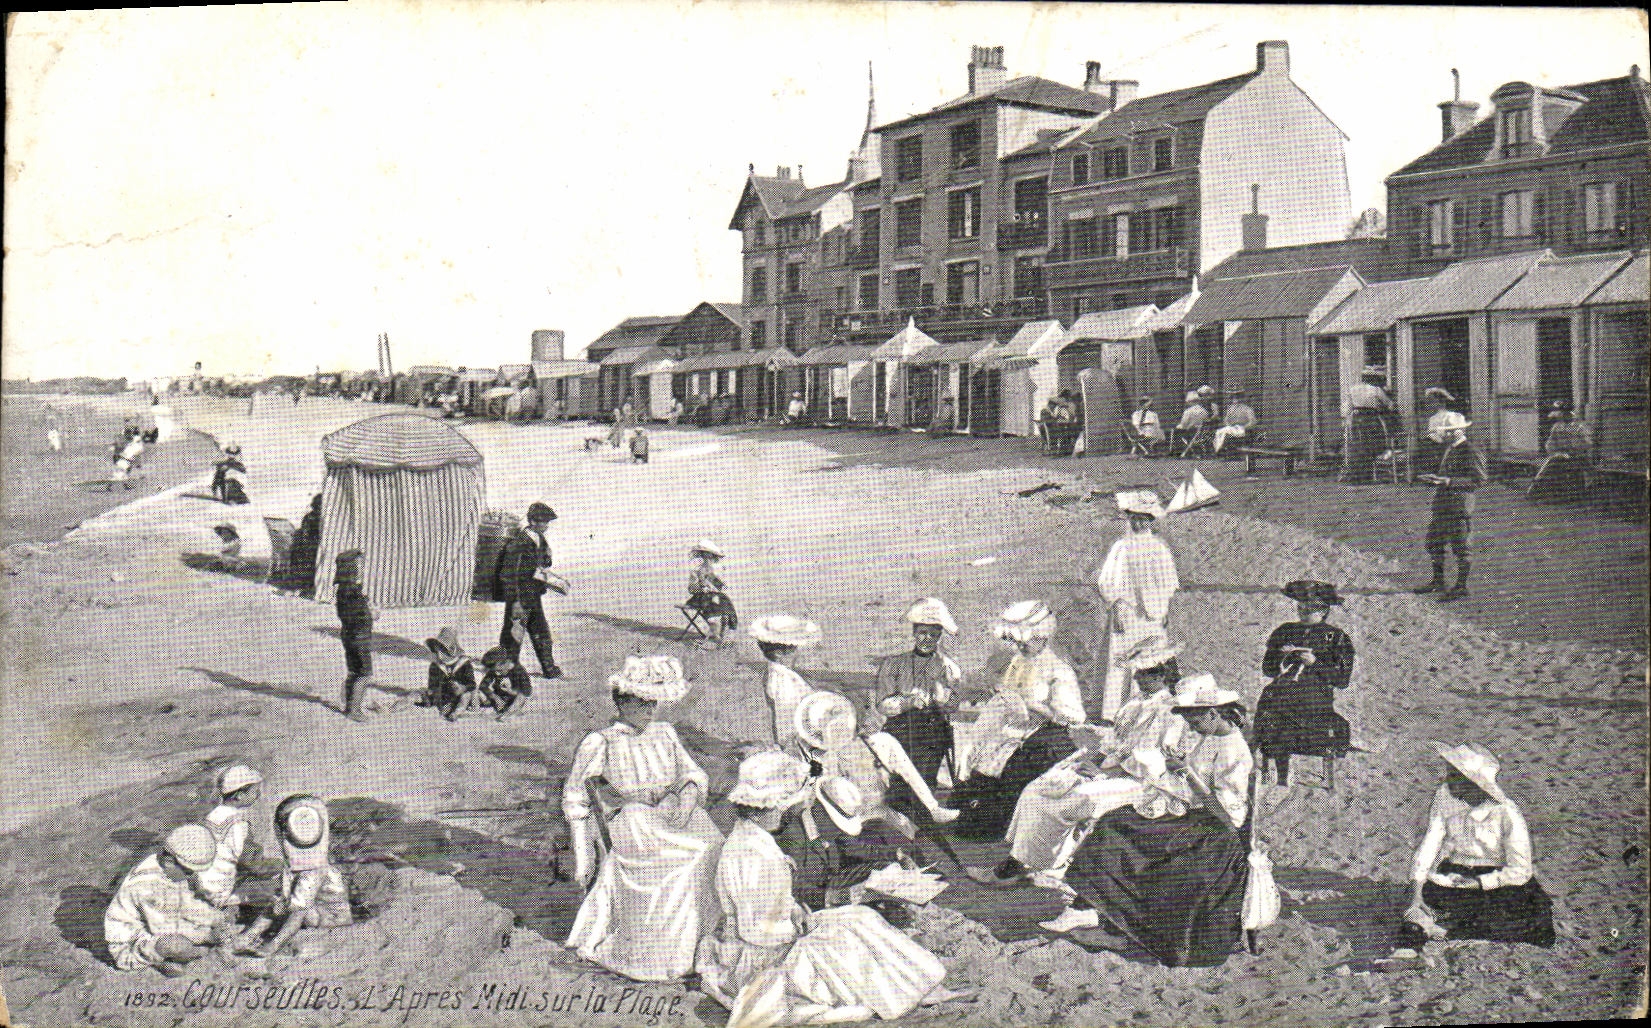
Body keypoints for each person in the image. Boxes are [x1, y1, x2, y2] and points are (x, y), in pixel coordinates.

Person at [696, 751, 964, 1027]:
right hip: (765, 955)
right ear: (766, 807)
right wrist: (800, 927)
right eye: (783, 806)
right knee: (846, 942)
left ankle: (925, 985)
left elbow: (774, 900)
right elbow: (756, 930)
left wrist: (796, 910)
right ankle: (907, 993)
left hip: (780, 931)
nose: (787, 812)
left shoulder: (755, 838)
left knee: (862, 917)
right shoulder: (755, 854)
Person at [1055, 675, 1253, 965]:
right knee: (1114, 822)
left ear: (1213, 713)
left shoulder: (1234, 751)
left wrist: (1187, 774)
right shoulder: (1209, 736)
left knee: (1122, 837)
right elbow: (1191, 783)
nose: (1191, 727)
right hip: (1193, 817)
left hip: (1214, 834)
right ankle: (1105, 919)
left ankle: (1118, 929)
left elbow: (1228, 816)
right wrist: (1173, 770)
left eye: (1195, 720)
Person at [970, 642, 1186, 890]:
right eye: (1137, 673)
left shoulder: (1171, 711)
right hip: (1113, 772)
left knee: (1069, 802)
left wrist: (1103, 772)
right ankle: (1033, 863)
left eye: (1144, 674)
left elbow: (1153, 761)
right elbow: (1114, 743)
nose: (1137, 679)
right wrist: (1090, 763)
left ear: (1161, 676)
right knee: (1036, 790)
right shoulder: (1135, 703)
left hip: (1143, 783)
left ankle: (1015, 868)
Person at [564, 656, 724, 982]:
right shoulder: (602, 741)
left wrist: (688, 794)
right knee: (688, 858)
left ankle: (701, 941)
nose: (650, 711)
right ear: (622, 702)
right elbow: (576, 797)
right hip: (633, 820)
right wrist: (584, 852)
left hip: (671, 811)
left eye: (653, 703)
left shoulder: (664, 732)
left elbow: (691, 771)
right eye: (642, 703)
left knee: (715, 846)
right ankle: (667, 953)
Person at [792, 691, 961, 889]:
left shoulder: (877, 742)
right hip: (850, 824)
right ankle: (906, 876)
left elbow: (908, 773)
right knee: (881, 849)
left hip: (882, 812)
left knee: (900, 841)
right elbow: (822, 798)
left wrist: (930, 806)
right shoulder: (823, 757)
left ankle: (923, 866)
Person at [950, 600, 1085, 840]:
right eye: (1017, 642)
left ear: (1042, 637)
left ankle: (999, 826)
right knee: (978, 752)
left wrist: (1034, 706)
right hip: (1012, 728)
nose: (1021, 647)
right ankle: (970, 815)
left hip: (1044, 736)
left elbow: (1072, 717)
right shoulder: (1018, 661)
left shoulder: (1058, 670)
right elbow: (1009, 694)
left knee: (1011, 768)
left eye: (1026, 641)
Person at [1402, 743, 1554, 948]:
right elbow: (1431, 842)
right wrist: (1417, 893)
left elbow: (1521, 870)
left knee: (1526, 921)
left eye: (1454, 776)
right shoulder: (1444, 796)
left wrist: (1478, 883)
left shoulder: (1506, 812)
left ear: (1472, 782)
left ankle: (1449, 932)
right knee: (1415, 920)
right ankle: (1435, 930)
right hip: (1456, 874)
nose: (1447, 781)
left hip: (1497, 882)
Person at [1253, 581, 1355, 785]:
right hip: (1282, 691)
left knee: (1282, 711)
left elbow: (1342, 680)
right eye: (1300, 607)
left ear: (1324, 610)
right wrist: (1281, 657)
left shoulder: (1336, 637)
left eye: (1309, 609)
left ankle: (1283, 773)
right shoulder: (1285, 631)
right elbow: (1268, 669)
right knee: (1271, 704)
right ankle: (1279, 772)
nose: (1302, 612)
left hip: (1314, 698)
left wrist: (1315, 663)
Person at [1096, 488, 1180, 722]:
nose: (1139, 523)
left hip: (1152, 613)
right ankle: (1117, 710)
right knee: (1122, 657)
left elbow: (1167, 583)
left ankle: (1150, 705)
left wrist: (1165, 609)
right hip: (1127, 611)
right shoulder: (1121, 547)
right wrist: (1115, 606)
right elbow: (1108, 581)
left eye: (1144, 519)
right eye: (1135, 518)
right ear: (1129, 519)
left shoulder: (1159, 547)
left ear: (1151, 520)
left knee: (1151, 654)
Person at [234, 795, 353, 958]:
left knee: (298, 910)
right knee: (278, 904)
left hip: (330, 918)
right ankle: (248, 936)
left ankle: (274, 944)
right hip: (314, 911)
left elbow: (299, 909)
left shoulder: (315, 870)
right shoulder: (297, 868)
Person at [105, 825, 233, 974]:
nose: (190, 876)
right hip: (130, 941)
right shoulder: (146, 888)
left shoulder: (170, 871)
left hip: (155, 922)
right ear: (169, 861)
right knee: (177, 946)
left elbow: (186, 904)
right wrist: (206, 935)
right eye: (188, 871)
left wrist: (214, 917)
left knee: (205, 924)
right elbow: (164, 928)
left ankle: (174, 957)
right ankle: (155, 960)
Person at [870, 598, 962, 796]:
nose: (927, 639)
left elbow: (953, 705)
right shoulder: (894, 664)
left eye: (933, 635)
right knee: (897, 783)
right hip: (900, 728)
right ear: (914, 633)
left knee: (923, 783)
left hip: (932, 732)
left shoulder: (947, 667)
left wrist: (941, 696)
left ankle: (924, 802)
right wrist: (908, 702)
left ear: (939, 637)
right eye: (922, 633)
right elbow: (882, 705)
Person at [1415, 412, 1487, 601]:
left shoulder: (1470, 450)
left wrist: (1448, 481)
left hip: (1459, 507)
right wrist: (1435, 479)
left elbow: (1479, 480)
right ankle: (1438, 581)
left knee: (1461, 548)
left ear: (1455, 431)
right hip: (1442, 504)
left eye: (1444, 432)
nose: (1440, 435)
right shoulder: (1450, 448)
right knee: (1433, 543)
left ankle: (1461, 586)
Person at [496, 502, 564, 679]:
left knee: (541, 632)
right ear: (533, 521)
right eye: (544, 522)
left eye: (548, 522)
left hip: (533, 596)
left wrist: (548, 557)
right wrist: (515, 602)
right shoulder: (519, 542)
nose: (547, 525)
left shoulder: (539, 538)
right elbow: (508, 575)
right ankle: (506, 671)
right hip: (520, 597)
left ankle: (549, 668)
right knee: (513, 636)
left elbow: (543, 564)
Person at [750, 615, 821, 758]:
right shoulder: (785, 680)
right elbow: (788, 715)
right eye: (794, 648)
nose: (798, 652)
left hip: (795, 738)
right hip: (797, 742)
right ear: (779, 654)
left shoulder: (774, 672)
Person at [197, 764, 264, 915]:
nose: (258, 795)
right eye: (255, 791)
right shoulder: (239, 823)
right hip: (220, 890)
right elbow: (251, 863)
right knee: (274, 884)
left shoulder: (210, 817)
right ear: (239, 795)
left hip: (202, 886)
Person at [333, 549, 374, 723]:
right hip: (359, 637)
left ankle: (348, 705)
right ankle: (354, 709)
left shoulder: (342, 590)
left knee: (353, 671)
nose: (361, 569)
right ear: (351, 569)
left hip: (348, 635)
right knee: (365, 673)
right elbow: (360, 616)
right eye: (359, 566)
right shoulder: (354, 593)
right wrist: (371, 613)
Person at [1340, 366, 1399, 484]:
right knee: (1371, 444)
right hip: (1371, 419)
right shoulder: (1376, 390)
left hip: (1357, 419)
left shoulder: (1353, 389)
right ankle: (1369, 475)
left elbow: (1347, 408)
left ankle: (1357, 475)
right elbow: (1390, 405)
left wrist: (1347, 420)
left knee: (1358, 446)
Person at [1528, 402, 1593, 502]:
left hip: (1578, 456)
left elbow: (1588, 443)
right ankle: (1537, 490)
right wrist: (1556, 452)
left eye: (1561, 412)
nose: (1559, 415)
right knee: (1551, 462)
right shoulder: (1557, 426)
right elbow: (1550, 443)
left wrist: (1573, 449)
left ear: (1567, 413)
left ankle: (1537, 490)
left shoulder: (1580, 426)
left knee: (1553, 463)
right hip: (1560, 455)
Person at [686, 540, 738, 648]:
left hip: (712, 596)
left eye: (710, 557)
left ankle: (724, 636)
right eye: (706, 557)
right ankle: (715, 637)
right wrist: (701, 589)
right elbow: (691, 588)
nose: (709, 560)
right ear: (702, 556)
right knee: (712, 610)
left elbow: (716, 582)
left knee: (725, 603)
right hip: (700, 597)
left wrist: (721, 585)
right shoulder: (696, 571)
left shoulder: (710, 572)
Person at [422, 627, 478, 720]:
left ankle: (456, 713)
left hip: (462, 694)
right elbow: (433, 686)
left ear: (451, 650)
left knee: (466, 695)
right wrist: (435, 693)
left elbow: (472, 684)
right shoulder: (435, 665)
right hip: (444, 696)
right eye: (437, 651)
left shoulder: (464, 663)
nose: (439, 655)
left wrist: (462, 687)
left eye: (442, 651)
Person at [477, 646, 532, 719]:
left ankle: (509, 713)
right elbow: (483, 685)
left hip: (514, 698)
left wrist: (511, 691)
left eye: (499, 670)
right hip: (500, 698)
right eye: (495, 671)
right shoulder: (495, 668)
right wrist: (495, 697)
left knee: (521, 697)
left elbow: (526, 692)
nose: (497, 673)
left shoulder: (519, 671)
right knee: (476, 695)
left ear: (506, 662)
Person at [1211, 388, 1256, 454]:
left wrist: (1243, 427)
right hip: (1232, 429)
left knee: (1229, 435)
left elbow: (1252, 422)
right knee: (1220, 432)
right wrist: (1229, 426)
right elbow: (1226, 420)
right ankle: (1219, 449)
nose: (1236, 400)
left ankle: (1225, 450)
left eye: (1238, 397)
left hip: (1244, 431)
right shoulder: (1230, 409)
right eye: (1234, 397)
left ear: (1242, 398)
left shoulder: (1247, 409)